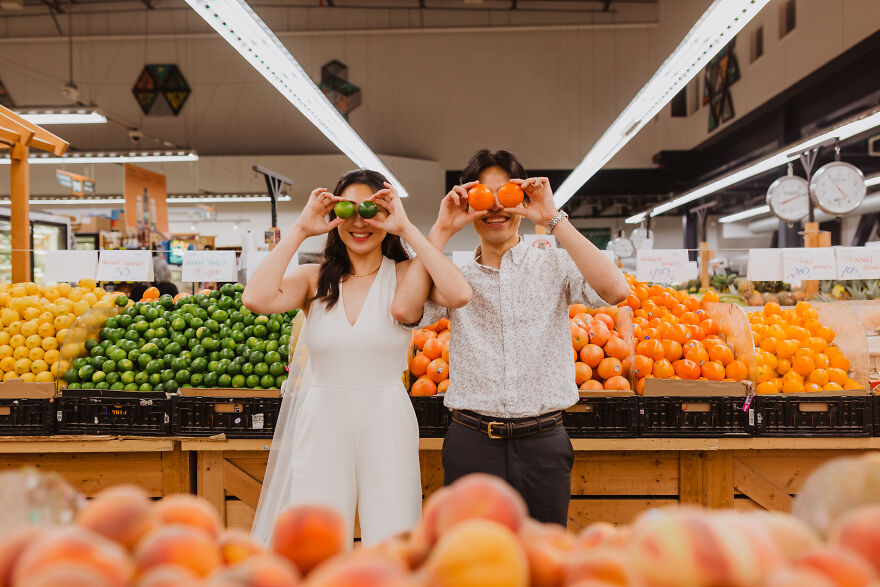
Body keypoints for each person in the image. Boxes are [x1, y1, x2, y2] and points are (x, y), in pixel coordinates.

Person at [393, 150, 630, 526]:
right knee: (469, 566)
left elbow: (617, 290)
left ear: (519, 198)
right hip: (471, 443)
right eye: (482, 197)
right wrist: (441, 229)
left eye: (503, 195)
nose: (494, 208)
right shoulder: (454, 277)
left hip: (543, 442)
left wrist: (553, 219)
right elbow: (405, 311)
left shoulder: (555, 265)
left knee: (542, 565)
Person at [244, 169, 472, 546]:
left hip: (386, 417)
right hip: (322, 418)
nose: (359, 222)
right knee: (316, 539)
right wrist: (300, 229)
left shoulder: (406, 276)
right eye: (347, 210)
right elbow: (255, 298)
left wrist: (408, 228)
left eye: (371, 210)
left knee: (394, 535)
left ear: (387, 214)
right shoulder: (313, 279)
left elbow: (459, 293)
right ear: (334, 219)